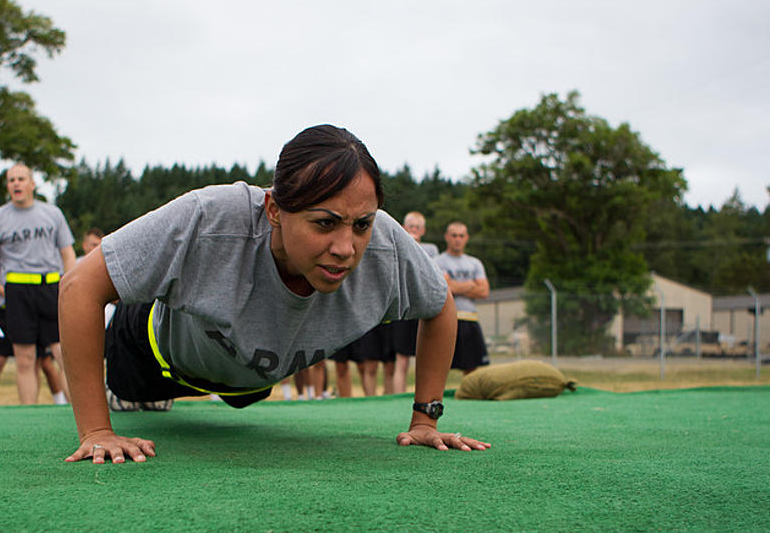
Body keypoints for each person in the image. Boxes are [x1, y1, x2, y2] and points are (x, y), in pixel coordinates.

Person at [59, 124, 490, 464]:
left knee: (246, 391)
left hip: (250, 381)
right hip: (150, 355)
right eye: (325, 223)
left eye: (361, 224)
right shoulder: (211, 218)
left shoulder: (386, 245)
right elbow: (78, 287)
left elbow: (440, 304)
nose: (346, 248)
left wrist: (425, 418)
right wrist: (97, 431)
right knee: (135, 393)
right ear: (274, 209)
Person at [0, 163, 76, 405]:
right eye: (11, 180)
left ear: (32, 184)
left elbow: (68, 254)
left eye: (21, 179)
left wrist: (72, 288)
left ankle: (78, 414)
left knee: (63, 354)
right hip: (17, 291)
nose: (16, 184)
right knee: (24, 358)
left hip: (50, 287)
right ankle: (29, 417)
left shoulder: (52, 214)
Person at [392, 211, 440, 392]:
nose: (414, 230)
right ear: (404, 228)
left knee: (426, 357)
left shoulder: (432, 250)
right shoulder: (396, 246)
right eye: (411, 226)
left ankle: (426, 395)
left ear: (424, 230)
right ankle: (398, 397)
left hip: (423, 309)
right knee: (401, 359)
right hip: (404, 309)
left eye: (418, 227)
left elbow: (433, 275)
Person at [435, 221, 490, 374]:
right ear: (447, 237)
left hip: (470, 319)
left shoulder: (475, 263)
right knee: (441, 366)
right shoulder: (438, 261)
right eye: (454, 235)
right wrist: (471, 285)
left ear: (466, 238)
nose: (457, 239)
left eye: (461, 236)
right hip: (448, 319)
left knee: (472, 367)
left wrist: (456, 285)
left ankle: (469, 396)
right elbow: (446, 288)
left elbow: (484, 292)